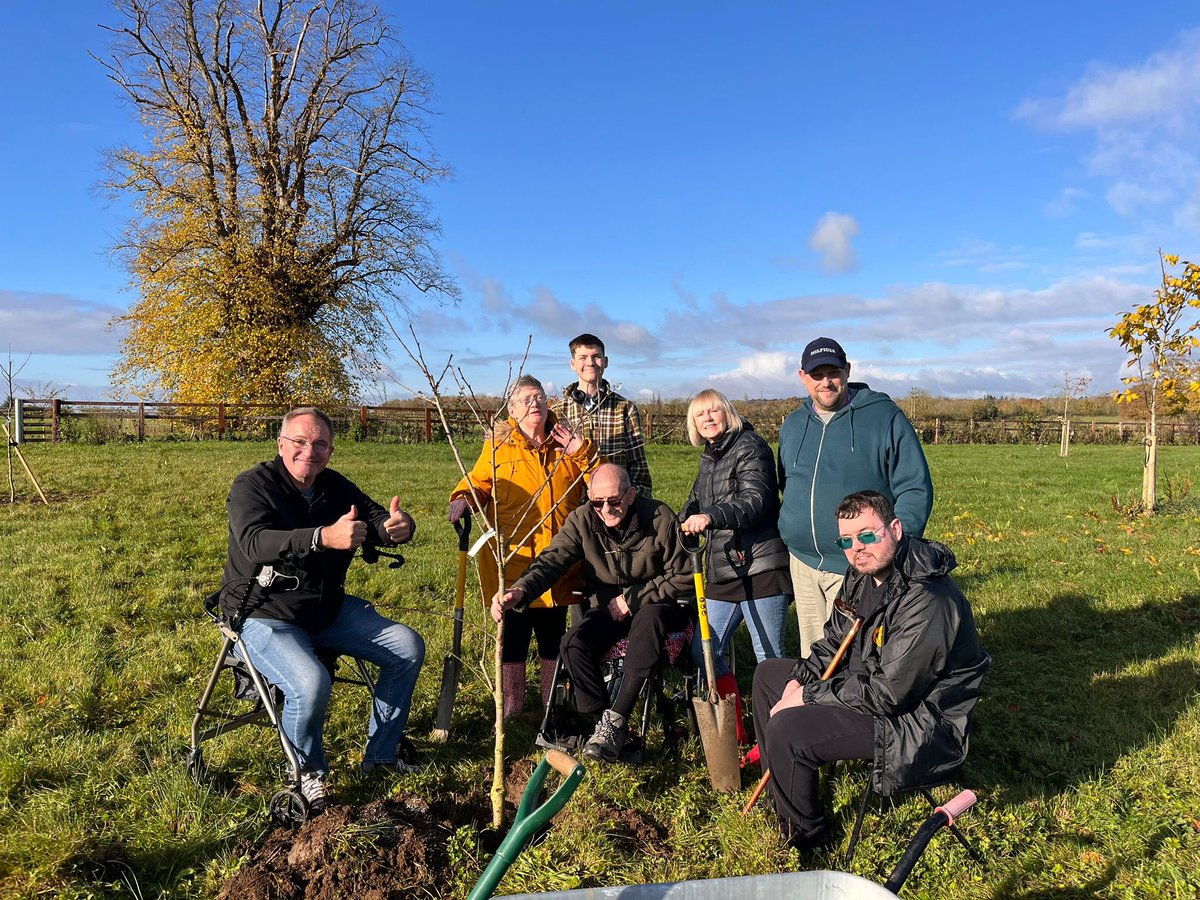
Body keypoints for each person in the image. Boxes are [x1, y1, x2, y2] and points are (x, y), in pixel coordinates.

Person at [752, 490, 990, 849]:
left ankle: (805, 836)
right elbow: (834, 641)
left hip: (916, 720)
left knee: (788, 728)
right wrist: (798, 681)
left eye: (867, 534)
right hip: (871, 685)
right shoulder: (861, 574)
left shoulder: (928, 599)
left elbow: (890, 694)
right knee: (769, 675)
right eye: (846, 540)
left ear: (895, 528)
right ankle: (781, 792)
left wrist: (808, 695)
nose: (857, 548)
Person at [223, 406, 425, 810]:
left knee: (407, 647)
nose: (309, 451)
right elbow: (254, 542)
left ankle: (381, 755)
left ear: (331, 451)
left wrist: (397, 528)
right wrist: (321, 537)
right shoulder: (252, 486)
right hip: (262, 611)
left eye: (320, 444)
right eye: (299, 441)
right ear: (281, 443)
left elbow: (375, 519)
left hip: (325, 610)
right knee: (311, 682)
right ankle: (307, 774)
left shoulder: (334, 486)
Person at [491, 463, 693, 762]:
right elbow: (552, 560)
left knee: (648, 621)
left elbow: (685, 575)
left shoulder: (660, 517)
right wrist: (521, 590)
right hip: (608, 608)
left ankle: (617, 718)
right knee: (572, 644)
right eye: (598, 502)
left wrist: (634, 599)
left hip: (658, 604)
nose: (606, 509)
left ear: (631, 494)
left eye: (614, 500)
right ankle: (603, 724)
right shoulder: (582, 519)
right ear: (589, 497)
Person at [449, 375, 598, 718]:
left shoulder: (568, 442)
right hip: (512, 558)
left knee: (552, 636)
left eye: (540, 397)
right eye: (526, 399)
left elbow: (604, 482)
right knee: (513, 636)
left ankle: (550, 704)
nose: (535, 404)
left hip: (558, 559)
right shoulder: (500, 447)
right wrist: (464, 496)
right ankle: (512, 707)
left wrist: (582, 452)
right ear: (512, 410)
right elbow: (480, 481)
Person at [778, 337, 933, 658]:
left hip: (857, 563)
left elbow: (915, 488)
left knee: (853, 656)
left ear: (847, 370)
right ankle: (815, 693)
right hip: (802, 562)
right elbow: (786, 483)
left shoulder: (885, 418)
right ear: (802, 377)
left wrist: (893, 550)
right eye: (816, 374)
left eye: (833, 373)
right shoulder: (793, 425)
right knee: (814, 654)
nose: (825, 382)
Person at [678, 389, 792, 743]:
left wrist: (710, 517)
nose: (708, 418)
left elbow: (756, 500)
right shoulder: (710, 457)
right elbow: (696, 500)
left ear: (727, 412)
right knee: (704, 650)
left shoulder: (750, 445)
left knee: (768, 659)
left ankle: (777, 735)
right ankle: (736, 730)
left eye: (713, 411)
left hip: (760, 568)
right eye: (700, 415)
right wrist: (680, 519)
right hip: (724, 571)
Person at [555, 332, 653, 499]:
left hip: (615, 503)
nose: (590, 363)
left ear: (606, 361)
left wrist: (636, 501)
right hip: (572, 504)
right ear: (573, 364)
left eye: (596, 357)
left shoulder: (625, 409)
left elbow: (638, 466)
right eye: (583, 358)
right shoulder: (557, 412)